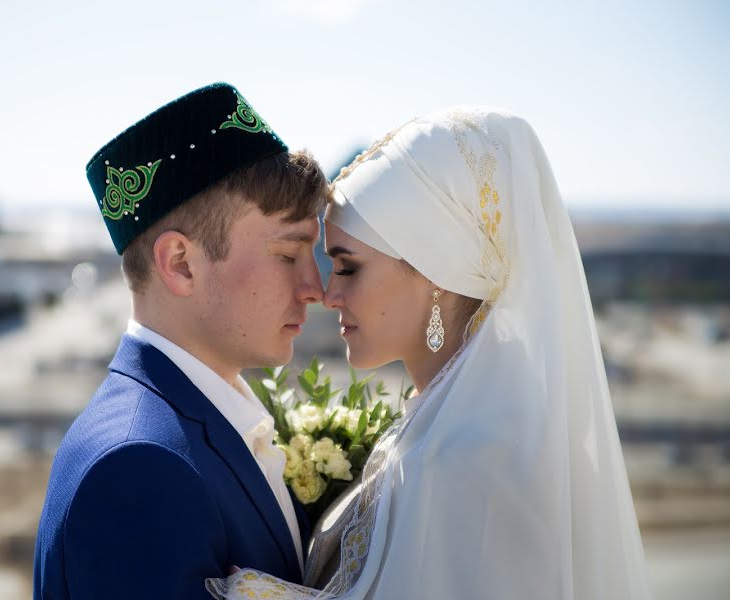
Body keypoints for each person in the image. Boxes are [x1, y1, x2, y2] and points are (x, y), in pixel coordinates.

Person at [206, 107, 651, 599]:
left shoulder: (473, 460)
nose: (328, 295)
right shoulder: (455, 420)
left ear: (435, 272)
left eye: (348, 268)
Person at [33, 82, 329, 598]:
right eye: (288, 254)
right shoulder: (137, 467)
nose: (316, 288)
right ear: (181, 264)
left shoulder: (187, 425)